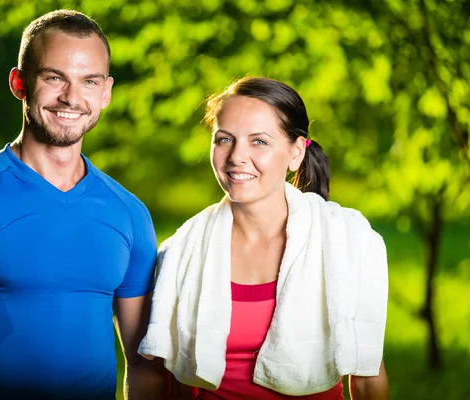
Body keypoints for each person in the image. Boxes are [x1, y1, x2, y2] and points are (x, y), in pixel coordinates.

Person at [0, 9, 163, 400]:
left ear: (106, 92)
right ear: (19, 83)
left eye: (89, 81)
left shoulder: (130, 213)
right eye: (54, 78)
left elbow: (142, 363)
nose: (72, 97)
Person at [138, 77, 390, 400]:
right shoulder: (182, 248)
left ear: (296, 152)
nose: (236, 157)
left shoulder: (349, 240)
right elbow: (175, 383)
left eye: (259, 142)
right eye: (225, 139)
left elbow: (368, 378)